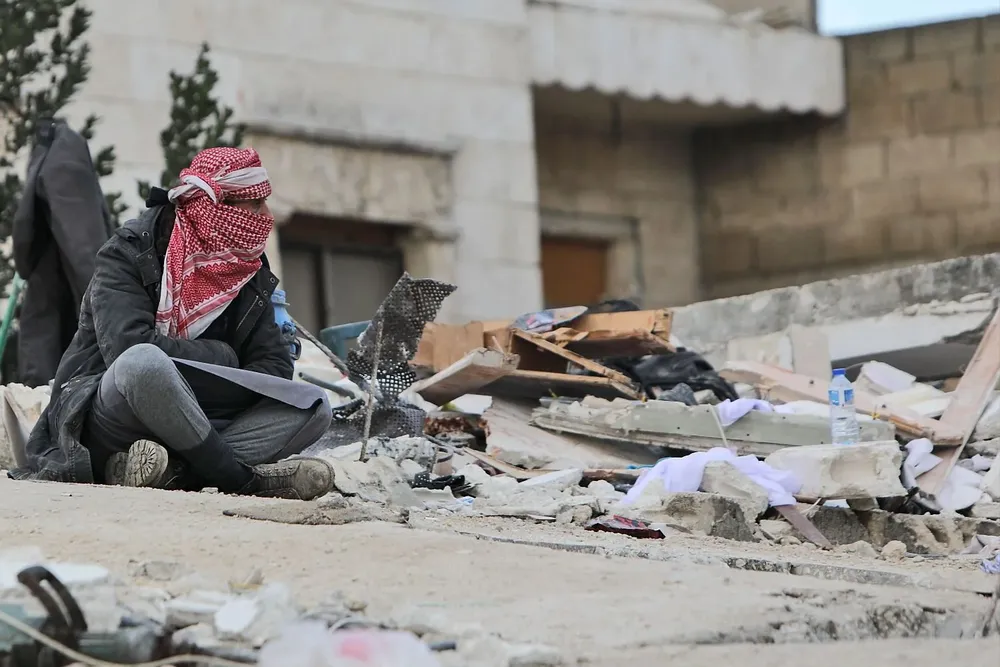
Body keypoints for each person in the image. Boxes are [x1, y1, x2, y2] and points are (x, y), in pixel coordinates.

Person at [9, 147, 335, 501]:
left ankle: (170, 470)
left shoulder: (248, 270)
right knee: (144, 364)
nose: (267, 216)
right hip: (113, 413)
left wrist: (210, 390)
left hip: (206, 418)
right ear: (218, 210)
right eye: (255, 205)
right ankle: (237, 477)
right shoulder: (128, 253)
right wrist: (223, 360)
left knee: (314, 406)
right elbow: (126, 348)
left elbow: (272, 368)